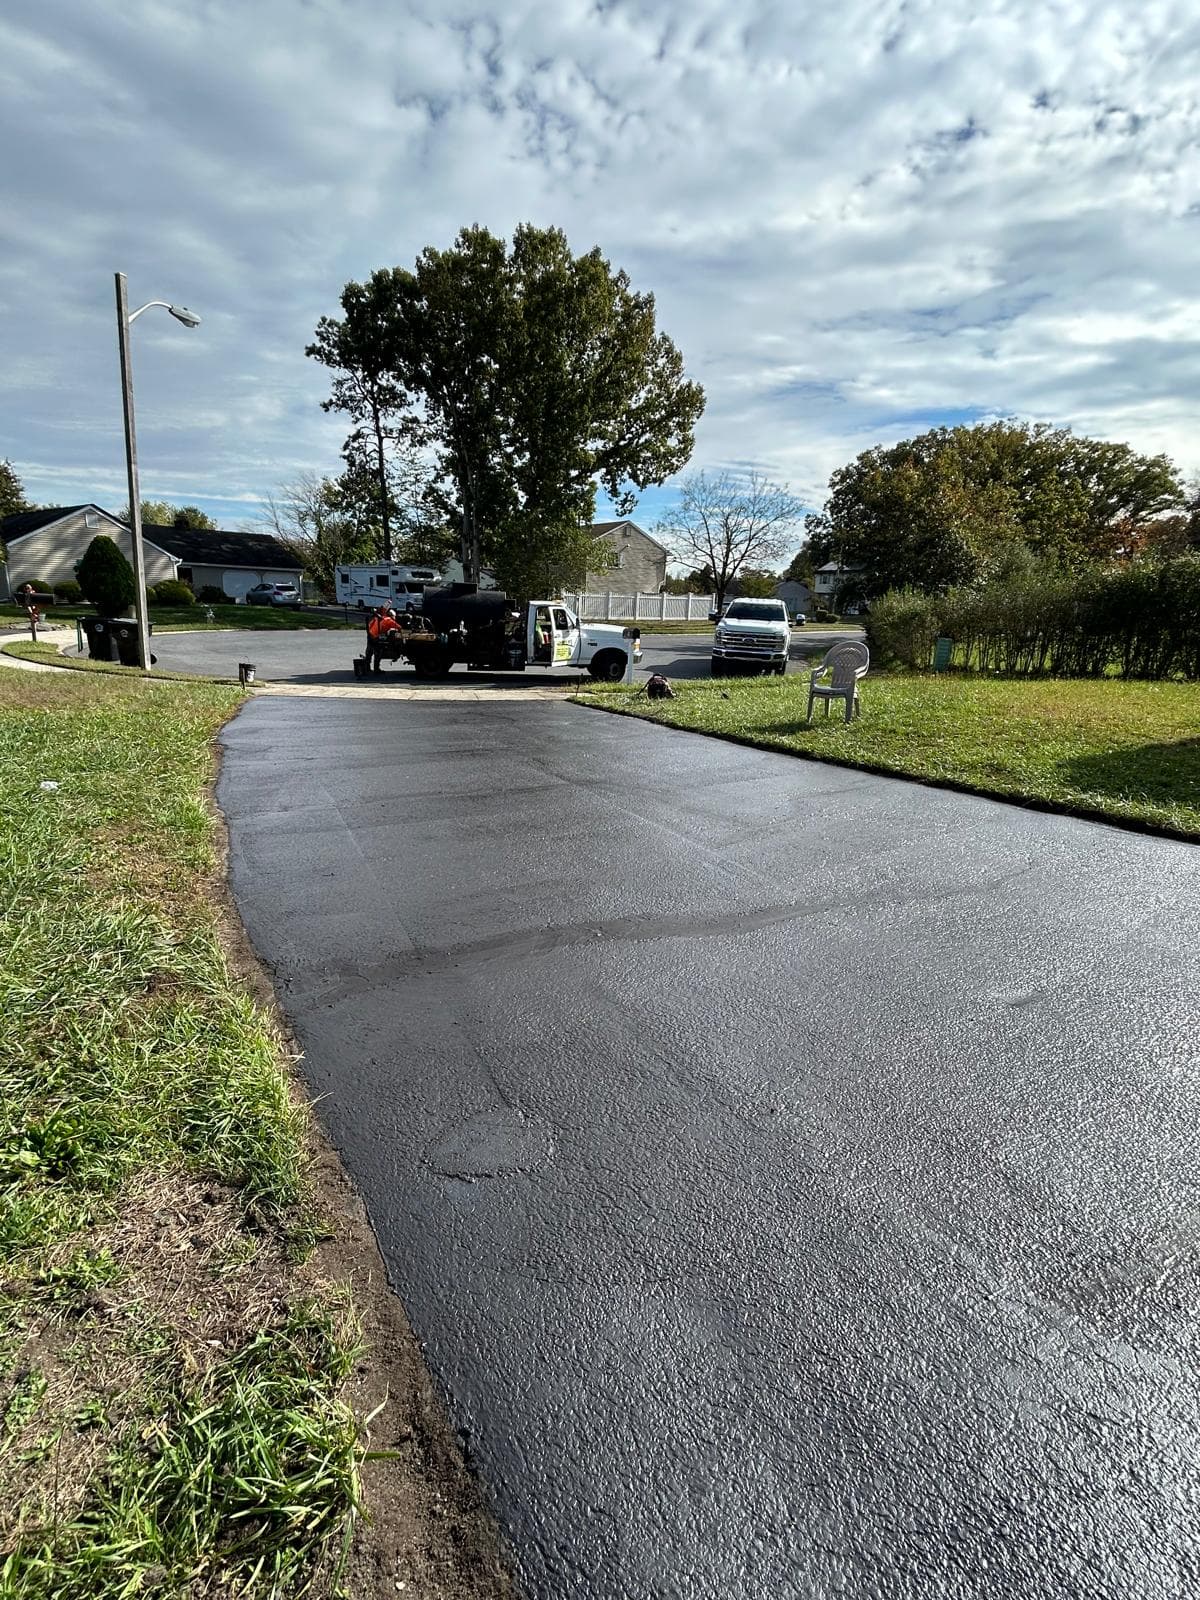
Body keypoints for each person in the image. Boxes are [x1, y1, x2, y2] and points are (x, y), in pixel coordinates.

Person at [365, 603, 402, 673]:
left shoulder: (382, 617)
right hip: (376, 638)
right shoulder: (389, 620)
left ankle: (367, 667)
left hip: (371, 635)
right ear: (392, 616)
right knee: (377, 653)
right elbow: (399, 627)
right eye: (394, 616)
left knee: (369, 652)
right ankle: (376, 669)